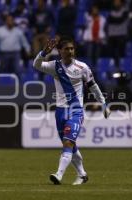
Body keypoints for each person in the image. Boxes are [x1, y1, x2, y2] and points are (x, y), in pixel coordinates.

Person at [33, 36, 111, 185]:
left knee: (68, 142)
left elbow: (93, 86)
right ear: (60, 51)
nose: (70, 51)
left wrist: (103, 103)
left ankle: (58, 174)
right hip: (60, 112)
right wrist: (43, 53)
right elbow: (36, 65)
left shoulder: (82, 67)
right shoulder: (54, 66)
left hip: (76, 110)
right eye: (66, 49)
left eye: (72, 48)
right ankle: (82, 174)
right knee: (70, 144)